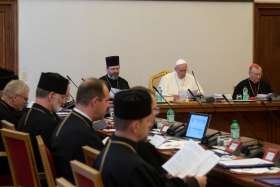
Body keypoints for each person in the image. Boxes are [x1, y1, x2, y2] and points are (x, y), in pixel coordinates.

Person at [93, 89, 206, 187]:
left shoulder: (110, 147)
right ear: (136, 126)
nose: (150, 125)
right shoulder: (135, 167)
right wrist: (194, 183)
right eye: (148, 121)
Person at [51, 78, 109, 182]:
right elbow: (106, 167)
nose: (108, 105)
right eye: (107, 101)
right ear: (95, 102)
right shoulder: (84, 134)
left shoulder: (71, 120)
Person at [17, 72, 69, 171]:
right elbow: (59, 160)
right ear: (51, 95)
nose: (63, 102)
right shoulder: (47, 123)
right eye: (62, 97)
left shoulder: (29, 113)